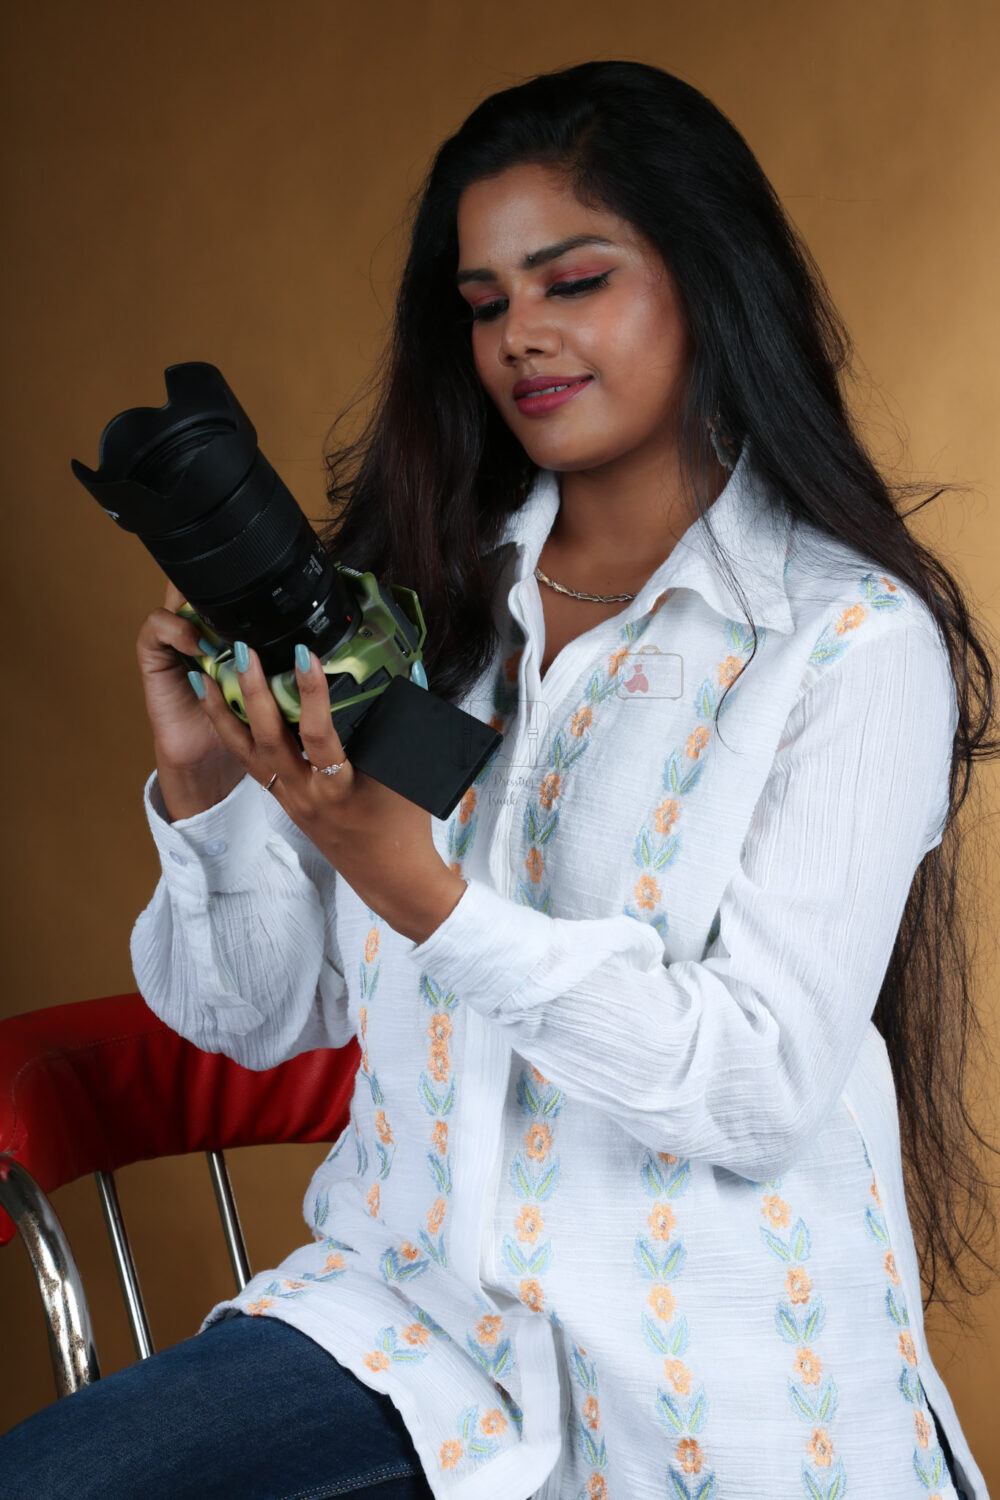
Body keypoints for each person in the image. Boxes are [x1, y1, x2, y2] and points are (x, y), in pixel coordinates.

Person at [1, 59, 994, 1500]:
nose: (522, 336)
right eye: (484, 305)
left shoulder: (841, 645)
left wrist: (429, 897)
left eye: (572, 281)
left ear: (707, 286)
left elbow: (765, 1083)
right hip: (408, 1336)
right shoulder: (427, 613)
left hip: (717, 1403)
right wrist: (213, 793)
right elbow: (257, 1019)